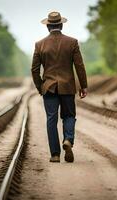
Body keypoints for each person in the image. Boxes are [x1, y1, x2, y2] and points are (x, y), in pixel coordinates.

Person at [31, 11, 88, 163]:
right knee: (69, 116)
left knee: (51, 119)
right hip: (68, 87)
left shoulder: (39, 45)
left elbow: (34, 70)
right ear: (61, 25)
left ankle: (55, 155)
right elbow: (79, 66)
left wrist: (40, 87)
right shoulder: (72, 42)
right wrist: (84, 86)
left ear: (48, 26)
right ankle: (68, 139)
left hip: (49, 87)